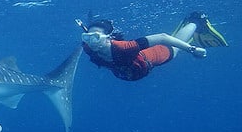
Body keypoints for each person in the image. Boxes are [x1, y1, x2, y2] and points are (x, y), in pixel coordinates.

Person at [78, 11, 228, 81]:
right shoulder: (88, 48)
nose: (92, 41)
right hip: (134, 69)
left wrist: (192, 49)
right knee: (173, 39)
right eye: (87, 37)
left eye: (96, 37)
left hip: (158, 53)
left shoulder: (125, 47)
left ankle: (196, 22)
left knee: (174, 49)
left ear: (109, 38)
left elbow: (162, 37)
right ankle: (184, 32)